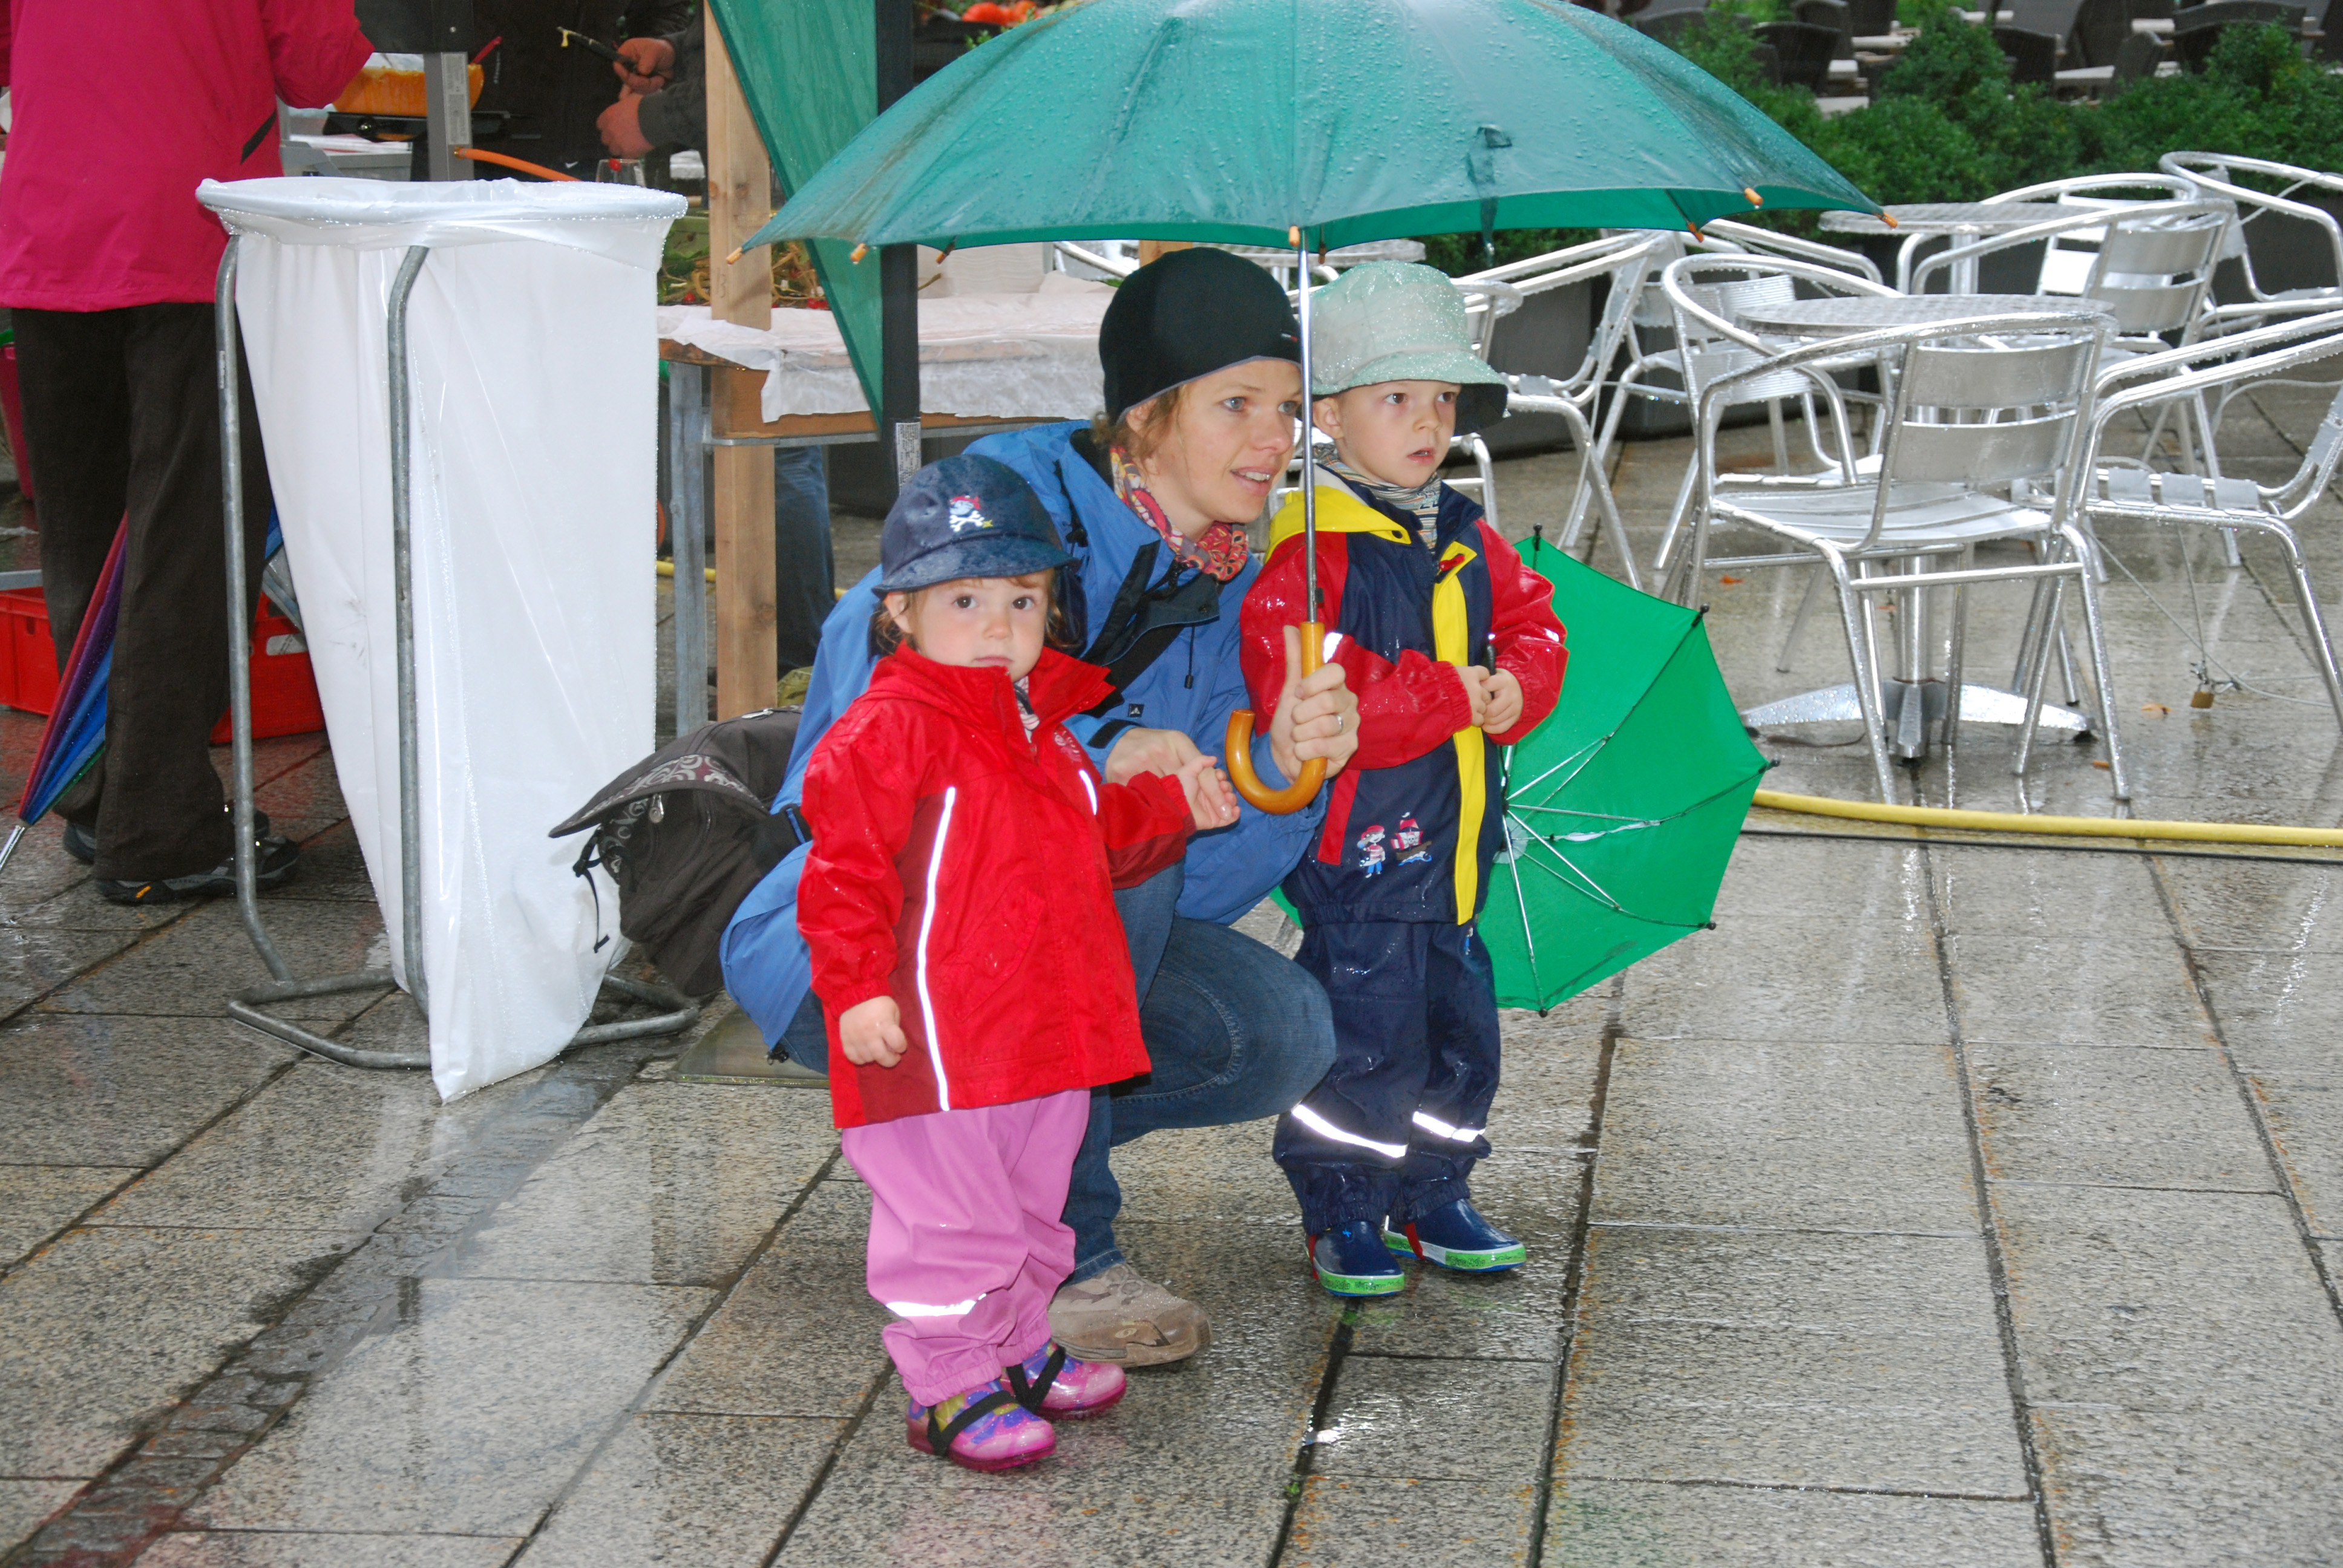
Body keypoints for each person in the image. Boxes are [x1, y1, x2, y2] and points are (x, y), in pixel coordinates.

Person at [724, 247, 1363, 1365]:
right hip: (876, 947)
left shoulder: (1232, 583)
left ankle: (988, 1158)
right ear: (1146, 416)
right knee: (1097, 841)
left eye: (1288, 408)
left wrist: (1277, 769)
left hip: (1047, 952)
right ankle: (1071, 1250)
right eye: (1237, 404)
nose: (1276, 438)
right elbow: (854, 745)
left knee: (1281, 1036)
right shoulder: (995, 508)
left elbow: (1198, 885)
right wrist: (1090, 755)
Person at [798, 453, 1239, 1470]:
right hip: (936, 1051)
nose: (999, 626)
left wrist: (1172, 807)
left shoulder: (1047, 732)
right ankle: (949, 1382)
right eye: (966, 600)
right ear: (901, 614)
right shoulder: (887, 733)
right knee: (951, 1224)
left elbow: (1095, 838)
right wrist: (857, 990)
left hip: (1042, 1035)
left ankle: (1017, 1347)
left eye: (1023, 600)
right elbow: (844, 874)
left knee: (1035, 1208)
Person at [1239, 261, 1567, 1297]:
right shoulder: (1309, 556)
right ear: (1329, 416)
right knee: (1364, 1040)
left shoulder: (1466, 534)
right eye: (1396, 398)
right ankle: (1342, 1202)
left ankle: (1435, 1188)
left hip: (1459, 851)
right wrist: (1454, 694)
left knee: (1460, 1036)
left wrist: (1519, 685)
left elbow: (1536, 621)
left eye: (1443, 399)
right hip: (1364, 858)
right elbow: (1322, 700)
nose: (1428, 421)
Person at [0, 0, 370, 903]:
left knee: (84, 536)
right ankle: (158, 829)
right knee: (189, 543)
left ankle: (101, 794)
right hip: (190, 236)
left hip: (51, 232)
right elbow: (321, 67)